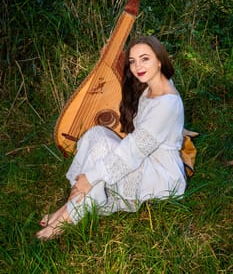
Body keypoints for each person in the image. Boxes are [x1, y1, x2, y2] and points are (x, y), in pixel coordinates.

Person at [36, 35, 186, 240]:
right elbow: (128, 90)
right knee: (96, 134)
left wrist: (91, 176)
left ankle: (67, 218)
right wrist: (115, 60)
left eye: (145, 59)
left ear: (159, 60)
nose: (137, 66)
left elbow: (134, 150)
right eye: (133, 61)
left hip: (161, 176)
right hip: (145, 158)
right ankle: (71, 204)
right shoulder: (153, 83)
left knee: (101, 153)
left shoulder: (167, 103)